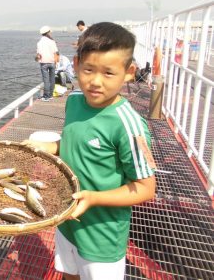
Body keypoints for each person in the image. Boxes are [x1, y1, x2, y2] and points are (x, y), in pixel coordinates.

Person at [26, 22, 156, 279]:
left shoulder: (129, 125)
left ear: (129, 72)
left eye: (108, 73)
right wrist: (50, 147)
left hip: (102, 237)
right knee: (67, 275)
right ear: (75, 65)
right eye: (88, 70)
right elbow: (75, 144)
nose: (95, 82)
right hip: (67, 223)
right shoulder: (74, 101)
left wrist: (93, 198)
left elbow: (145, 188)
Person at [36, 25, 59, 101]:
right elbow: (56, 53)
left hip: (44, 63)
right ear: (48, 32)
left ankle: (46, 96)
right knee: (52, 79)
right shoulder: (52, 41)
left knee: (46, 80)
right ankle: (50, 95)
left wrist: (36, 59)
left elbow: (39, 56)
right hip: (52, 62)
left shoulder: (39, 43)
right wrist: (56, 62)